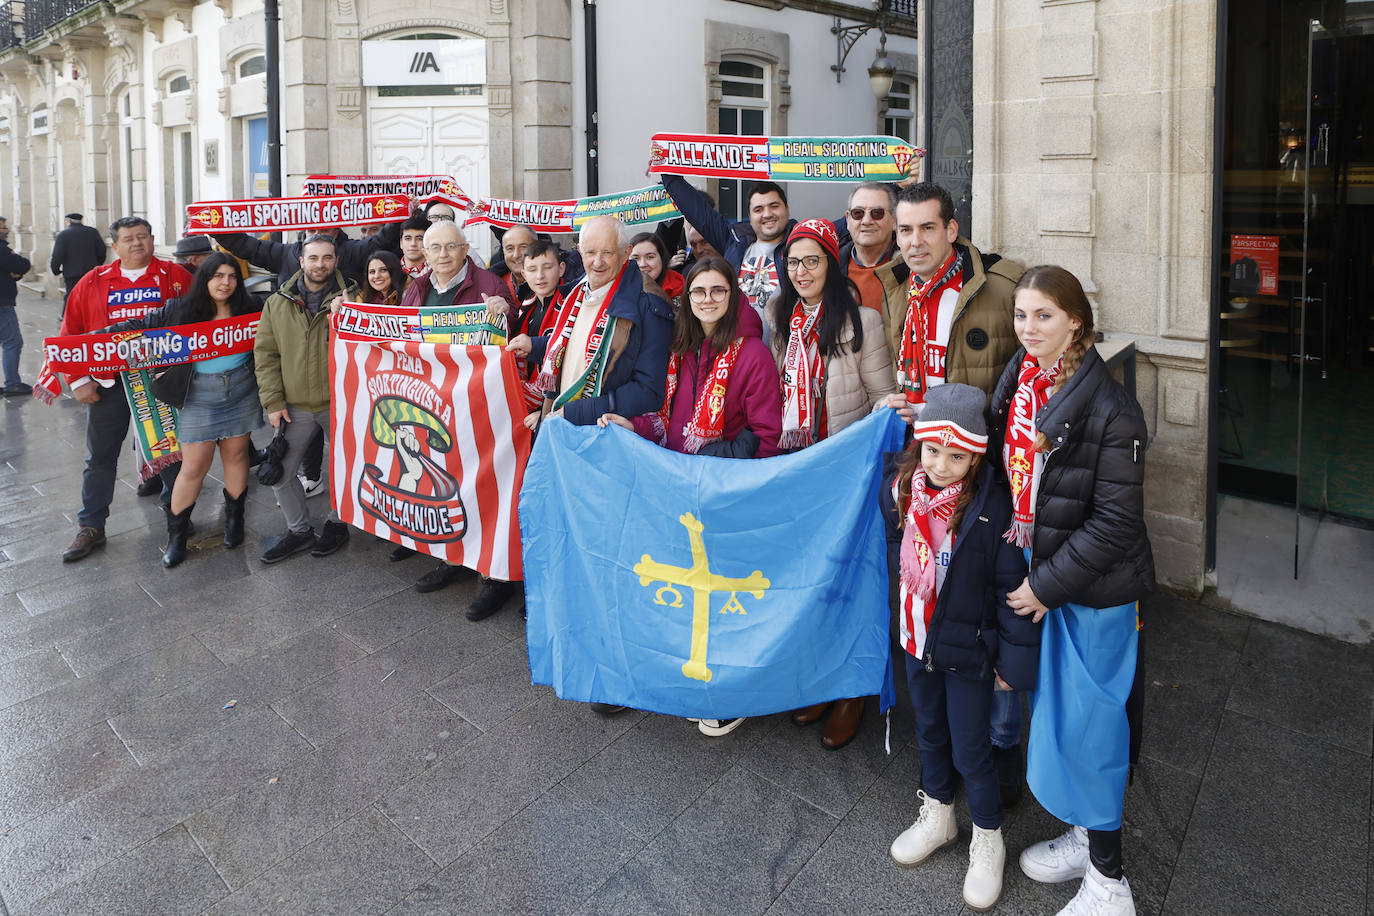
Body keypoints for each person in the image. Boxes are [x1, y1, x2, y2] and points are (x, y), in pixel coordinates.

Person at [987, 265, 1154, 916]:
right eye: (1022, 316)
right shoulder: (1024, 376)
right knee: (1062, 719)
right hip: (1045, 566)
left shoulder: (1111, 408)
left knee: (1094, 727)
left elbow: (1116, 524)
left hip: (1092, 592)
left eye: (1044, 316)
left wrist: (1044, 588)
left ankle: (1111, 882)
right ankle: (1088, 837)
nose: (1029, 329)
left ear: (1076, 321)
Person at [882, 383, 1037, 913]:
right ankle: (939, 814)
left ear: (975, 454)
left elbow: (1009, 593)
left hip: (969, 651)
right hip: (915, 639)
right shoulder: (906, 490)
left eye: (956, 455)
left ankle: (988, 837)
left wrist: (1010, 667)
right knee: (928, 730)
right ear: (918, 446)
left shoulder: (994, 509)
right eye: (932, 451)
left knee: (973, 747)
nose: (942, 465)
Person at [507, 214, 673, 689]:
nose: (597, 261)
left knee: (613, 556)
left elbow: (649, 392)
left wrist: (571, 415)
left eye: (607, 252)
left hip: (608, 443)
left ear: (624, 254)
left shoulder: (649, 305)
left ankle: (619, 666)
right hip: (569, 438)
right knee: (579, 547)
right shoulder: (580, 292)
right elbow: (571, 349)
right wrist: (534, 345)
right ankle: (588, 643)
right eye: (589, 252)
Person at [766, 218, 896, 749]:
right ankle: (820, 677)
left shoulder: (862, 320)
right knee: (811, 581)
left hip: (846, 474)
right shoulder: (779, 317)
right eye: (794, 262)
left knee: (852, 583)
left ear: (831, 263)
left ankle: (853, 691)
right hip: (798, 472)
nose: (802, 271)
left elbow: (884, 400)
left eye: (812, 260)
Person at [100, 254, 262, 567]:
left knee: (237, 456)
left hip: (240, 390)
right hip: (199, 394)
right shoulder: (179, 309)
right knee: (193, 467)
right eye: (217, 276)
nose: (225, 282)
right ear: (205, 279)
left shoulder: (251, 307)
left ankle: (234, 522)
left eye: (231, 276)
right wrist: (93, 340)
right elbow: (138, 327)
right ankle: (176, 538)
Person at [58, 217, 193, 562]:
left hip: (162, 382)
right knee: (100, 457)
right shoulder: (92, 281)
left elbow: (203, 317)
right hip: (108, 384)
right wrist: (78, 379)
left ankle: (177, 512)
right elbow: (70, 333)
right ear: (114, 246)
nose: (137, 244)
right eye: (128, 239)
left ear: (152, 240)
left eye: (143, 237)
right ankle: (91, 525)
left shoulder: (176, 277)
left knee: (172, 453)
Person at [399, 220, 518, 600]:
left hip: (478, 401)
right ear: (425, 253)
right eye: (435, 248)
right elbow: (400, 336)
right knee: (446, 478)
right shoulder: (416, 288)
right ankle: (451, 559)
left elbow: (510, 329)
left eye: (451, 247)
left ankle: (491, 574)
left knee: (482, 479)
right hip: (433, 400)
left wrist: (505, 310)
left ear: (466, 249)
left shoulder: (489, 285)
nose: (443, 255)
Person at [601, 254, 781, 461]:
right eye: (698, 292)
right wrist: (633, 427)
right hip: (678, 476)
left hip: (724, 482)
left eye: (718, 291)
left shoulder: (754, 355)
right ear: (688, 297)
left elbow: (768, 439)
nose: (707, 299)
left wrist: (712, 462)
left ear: (732, 295)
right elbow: (668, 424)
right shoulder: (679, 351)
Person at [253, 234, 360, 563]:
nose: (320, 264)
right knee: (281, 472)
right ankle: (299, 530)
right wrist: (272, 402)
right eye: (313, 258)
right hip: (295, 405)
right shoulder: (278, 302)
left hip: (342, 404)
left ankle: (337, 523)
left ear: (336, 260)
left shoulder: (355, 297)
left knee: (346, 469)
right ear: (301, 261)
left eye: (327, 257)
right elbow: (266, 355)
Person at [660, 175, 805, 341]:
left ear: (787, 209)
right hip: (735, 356)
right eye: (758, 209)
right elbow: (696, 209)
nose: (767, 214)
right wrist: (667, 172)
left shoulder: (801, 243)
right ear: (750, 216)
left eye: (774, 206)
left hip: (786, 356)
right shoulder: (734, 241)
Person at [841, 181, 905, 315]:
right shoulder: (830, 268)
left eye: (877, 213)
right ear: (848, 220)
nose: (866, 221)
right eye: (858, 213)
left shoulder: (911, 269)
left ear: (894, 220)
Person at [48, 212, 107, 315]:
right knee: (91, 295)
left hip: (72, 273)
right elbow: (102, 250)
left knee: (72, 295)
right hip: (91, 272)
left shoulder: (63, 235)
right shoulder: (92, 232)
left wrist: (55, 270)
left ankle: (67, 317)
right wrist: (97, 264)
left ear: (69, 221)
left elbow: (57, 255)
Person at [0, 217, 33, 395]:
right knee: (12, 342)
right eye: (3, 228)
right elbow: (22, 264)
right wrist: (15, 272)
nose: (7, 230)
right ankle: (12, 383)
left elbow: (14, 270)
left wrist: (14, 274)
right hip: (2, 304)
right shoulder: (2, 250)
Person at [628, 232, 683, 302]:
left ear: (662, 258)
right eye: (635, 258)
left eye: (650, 257)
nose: (642, 264)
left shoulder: (679, 288)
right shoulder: (619, 288)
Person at [398, 214, 431, 280]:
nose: (413, 244)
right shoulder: (389, 270)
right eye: (408, 238)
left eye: (419, 238)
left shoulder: (435, 271)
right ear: (401, 243)